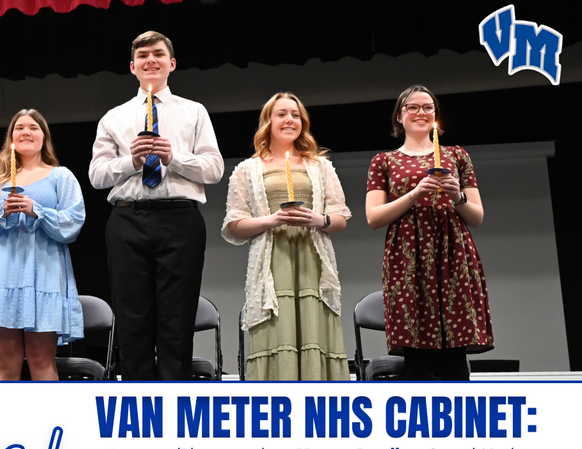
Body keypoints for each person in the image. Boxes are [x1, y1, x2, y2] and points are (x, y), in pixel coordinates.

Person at [88, 31, 224, 381]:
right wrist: (129, 162)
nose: (151, 60)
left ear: (171, 64)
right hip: (127, 218)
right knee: (132, 318)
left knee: (177, 317)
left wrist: (174, 158)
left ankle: (173, 401)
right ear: (133, 67)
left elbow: (214, 168)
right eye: (143, 56)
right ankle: (137, 399)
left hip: (180, 218)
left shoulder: (194, 112)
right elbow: (97, 175)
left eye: (159, 54)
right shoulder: (113, 118)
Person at [365, 85, 493, 380]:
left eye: (427, 107)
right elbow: (373, 217)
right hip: (408, 259)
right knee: (418, 357)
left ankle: (460, 422)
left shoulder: (457, 155)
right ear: (399, 116)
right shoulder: (383, 161)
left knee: (454, 355)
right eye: (413, 107)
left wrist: (458, 196)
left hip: (452, 254)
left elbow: (476, 216)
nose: (420, 113)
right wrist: (413, 195)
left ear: (435, 114)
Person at [222, 93, 351, 380]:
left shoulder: (320, 167)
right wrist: (271, 219)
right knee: (276, 335)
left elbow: (340, 218)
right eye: (282, 114)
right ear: (268, 122)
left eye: (295, 115)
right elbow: (234, 225)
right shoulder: (248, 169)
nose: (289, 120)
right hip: (272, 262)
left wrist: (319, 219)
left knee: (314, 333)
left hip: (312, 264)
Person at [0, 109, 86, 380]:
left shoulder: (61, 176)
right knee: (6, 363)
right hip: (3, 274)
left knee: (41, 359)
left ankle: (49, 422)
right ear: (11, 138)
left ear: (44, 137)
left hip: (43, 273)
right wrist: (0, 213)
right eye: (19, 128)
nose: (26, 132)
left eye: (33, 127)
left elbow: (73, 221)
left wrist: (37, 211)